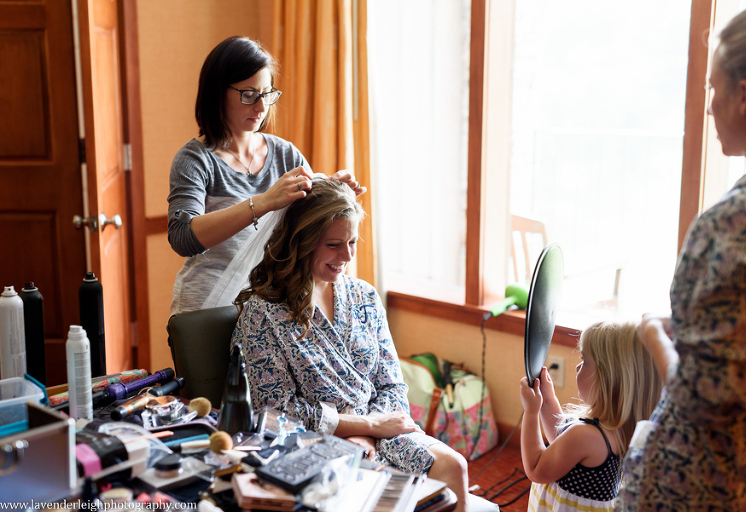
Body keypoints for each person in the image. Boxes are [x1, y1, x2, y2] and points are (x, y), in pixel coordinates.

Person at [231, 178, 471, 511]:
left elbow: (391, 384)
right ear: (303, 242)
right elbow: (273, 409)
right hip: (308, 442)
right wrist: (360, 428)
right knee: (366, 486)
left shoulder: (365, 297)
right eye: (333, 244)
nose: (347, 255)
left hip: (380, 430)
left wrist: (373, 432)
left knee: (454, 466)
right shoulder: (264, 313)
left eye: (353, 242)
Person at [617, 2, 746, 510]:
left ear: (744, 96)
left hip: (708, 486)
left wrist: (656, 335)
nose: (708, 107)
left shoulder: (734, 223)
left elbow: (704, 399)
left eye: (712, 88)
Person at [167, 36, 364, 315]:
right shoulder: (195, 160)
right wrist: (263, 202)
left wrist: (331, 189)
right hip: (207, 308)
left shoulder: (285, 154)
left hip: (269, 309)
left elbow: (306, 219)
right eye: (249, 95)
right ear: (217, 92)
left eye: (267, 94)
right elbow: (183, 237)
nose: (261, 107)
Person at [519, 321, 663, 512]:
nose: (578, 367)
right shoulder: (615, 427)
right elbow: (560, 442)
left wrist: (530, 412)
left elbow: (536, 468)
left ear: (609, 379)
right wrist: (547, 399)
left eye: (585, 361)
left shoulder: (586, 435)